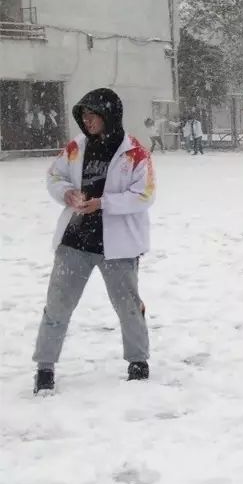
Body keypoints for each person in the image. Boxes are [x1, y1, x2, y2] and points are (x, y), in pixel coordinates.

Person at [33, 89, 156, 394]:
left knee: (128, 306)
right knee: (57, 305)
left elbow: (145, 195)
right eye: (83, 115)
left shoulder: (135, 153)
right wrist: (67, 193)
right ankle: (45, 366)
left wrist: (103, 204)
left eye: (93, 115)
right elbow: (54, 176)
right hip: (74, 242)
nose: (87, 121)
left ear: (109, 116)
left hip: (119, 247)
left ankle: (138, 361)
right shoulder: (76, 147)